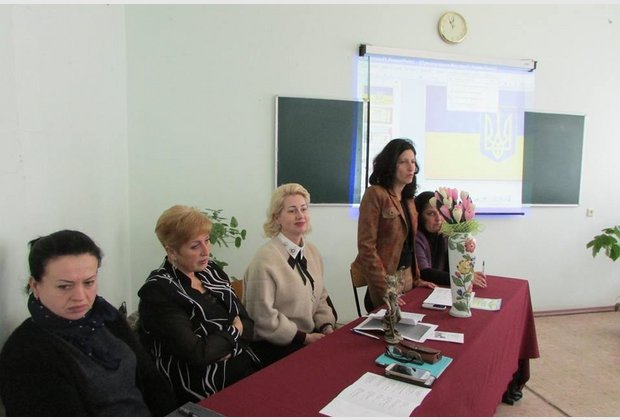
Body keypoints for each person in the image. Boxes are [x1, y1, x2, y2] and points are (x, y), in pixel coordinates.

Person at [0, 230, 176, 416]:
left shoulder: (104, 315)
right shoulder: (25, 353)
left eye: (89, 282)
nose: (80, 297)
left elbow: (150, 378)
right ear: (35, 286)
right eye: (64, 286)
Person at [137, 205, 260, 405]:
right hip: (198, 390)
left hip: (244, 372)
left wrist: (223, 345)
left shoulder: (211, 271)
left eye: (207, 240)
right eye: (195, 246)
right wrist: (234, 332)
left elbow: (248, 324)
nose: (206, 251)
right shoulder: (158, 291)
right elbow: (198, 354)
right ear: (171, 251)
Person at [243, 183, 337, 366]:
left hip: (309, 337)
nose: (300, 215)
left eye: (304, 209)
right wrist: (304, 338)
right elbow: (262, 318)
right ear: (276, 217)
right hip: (277, 347)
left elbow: (320, 297)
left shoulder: (312, 252)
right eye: (292, 211)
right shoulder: (264, 261)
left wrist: (326, 326)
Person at [351, 138, 435, 313]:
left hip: (408, 280)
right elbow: (366, 247)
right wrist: (385, 289)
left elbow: (409, 246)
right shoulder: (375, 194)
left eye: (413, 161)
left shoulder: (408, 199)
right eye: (403, 162)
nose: (411, 167)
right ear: (390, 165)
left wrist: (417, 279)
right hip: (385, 285)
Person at [414, 191, 487, 288]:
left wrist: (467, 274)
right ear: (419, 216)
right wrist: (463, 278)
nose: (438, 218)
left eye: (440, 212)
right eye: (431, 213)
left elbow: (452, 266)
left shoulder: (444, 234)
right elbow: (425, 273)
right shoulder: (417, 237)